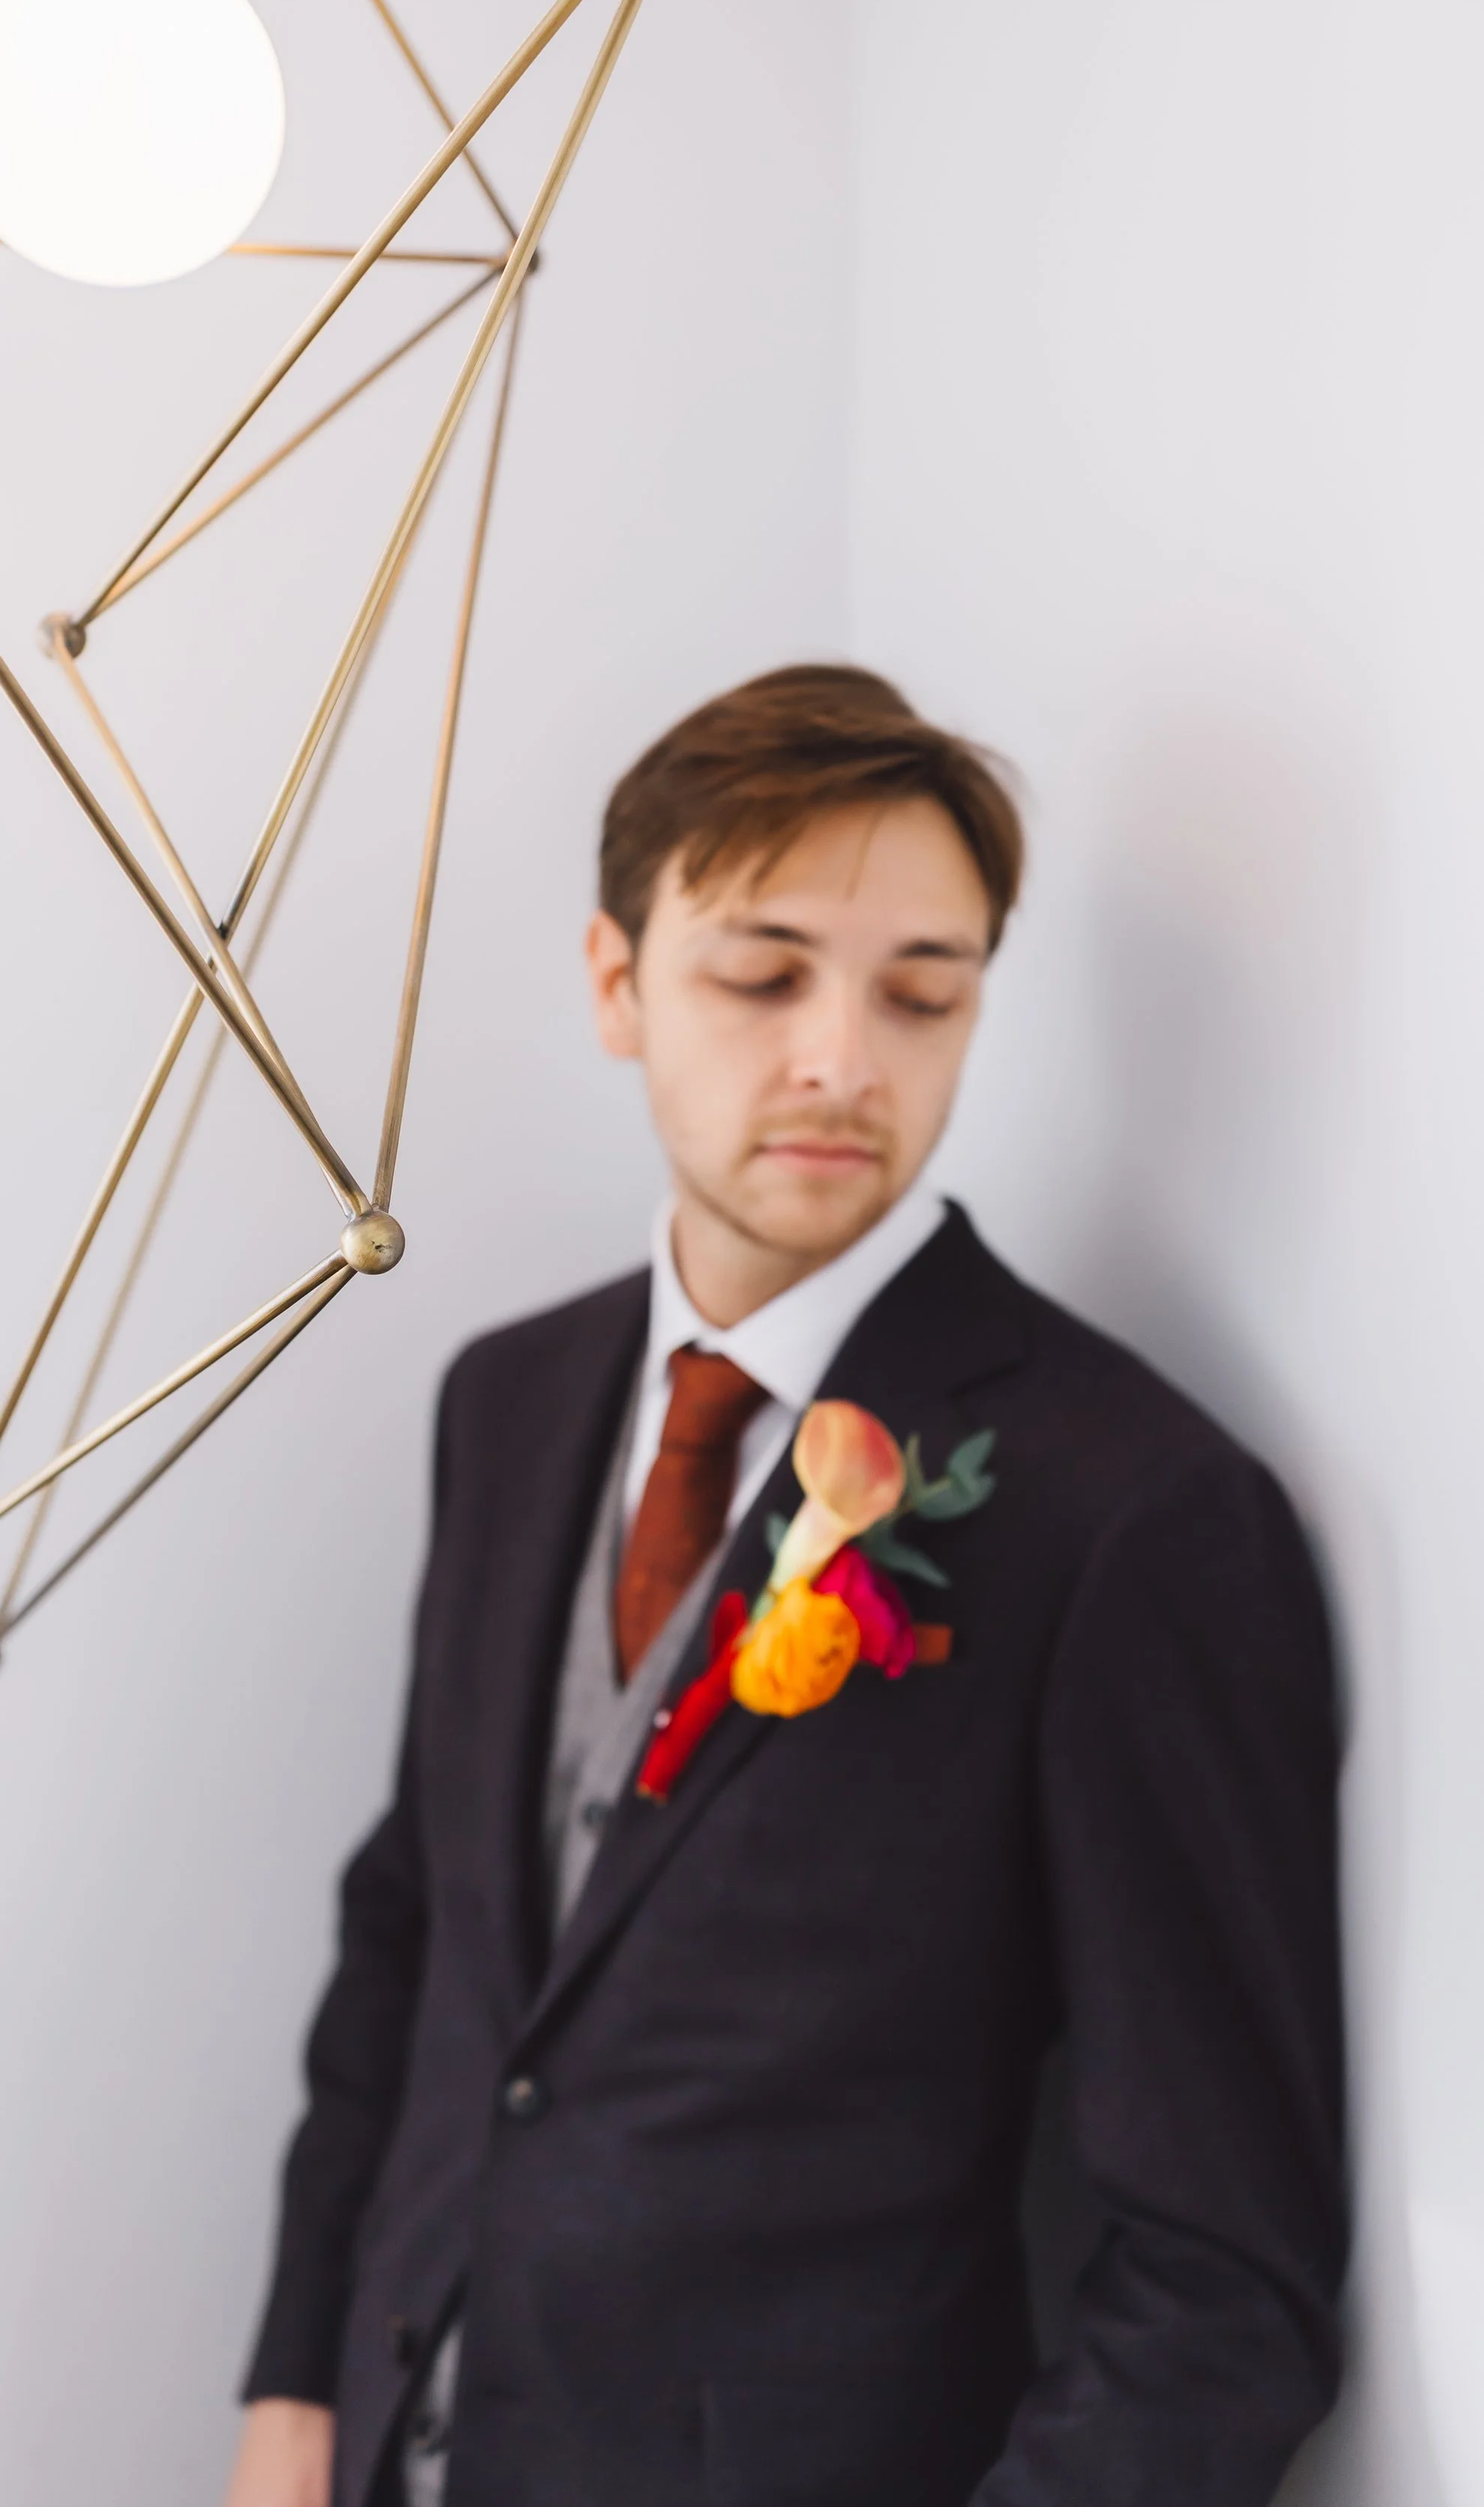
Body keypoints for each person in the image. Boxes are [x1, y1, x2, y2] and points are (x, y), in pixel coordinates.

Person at [223, 664, 1345, 2507]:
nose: (842, 1058)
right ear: (616, 983)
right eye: (761, 977)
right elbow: (419, 1934)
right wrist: (290, 2404)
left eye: (923, 990)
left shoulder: (1135, 1514)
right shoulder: (502, 1403)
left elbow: (1222, 2276)